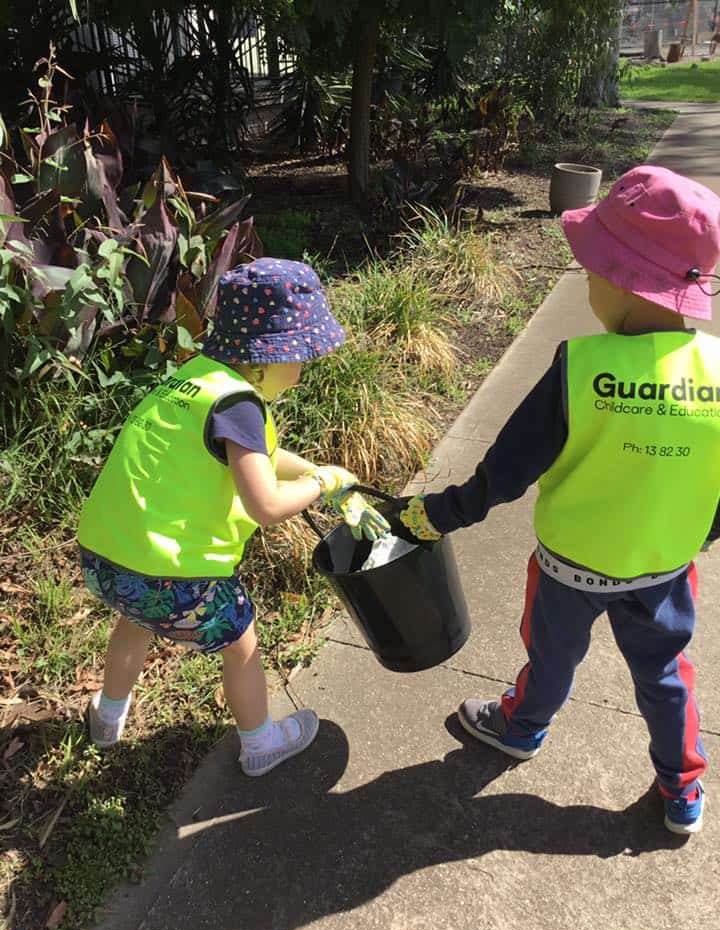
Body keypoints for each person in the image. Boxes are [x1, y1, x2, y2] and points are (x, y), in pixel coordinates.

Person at [399, 165, 720, 835]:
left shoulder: (580, 367)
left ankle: (522, 728)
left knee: (550, 657)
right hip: (663, 568)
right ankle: (683, 789)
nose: (589, 283)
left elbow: (507, 469)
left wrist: (440, 513)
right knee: (666, 676)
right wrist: (699, 534)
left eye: (593, 273)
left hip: (569, 569)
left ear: (623, 283)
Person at [77, 258, 388, 776]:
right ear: (266, 359)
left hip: (106, 559)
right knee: (241, 639)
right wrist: (320, 485)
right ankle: (261, 743)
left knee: (134, 620)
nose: (304, 367)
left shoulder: (198, 379)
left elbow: (255, 456)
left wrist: (318, 470)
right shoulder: (240, 407)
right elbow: (266, 507)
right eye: (300, 356)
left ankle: (107, 718)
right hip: (175, 577)